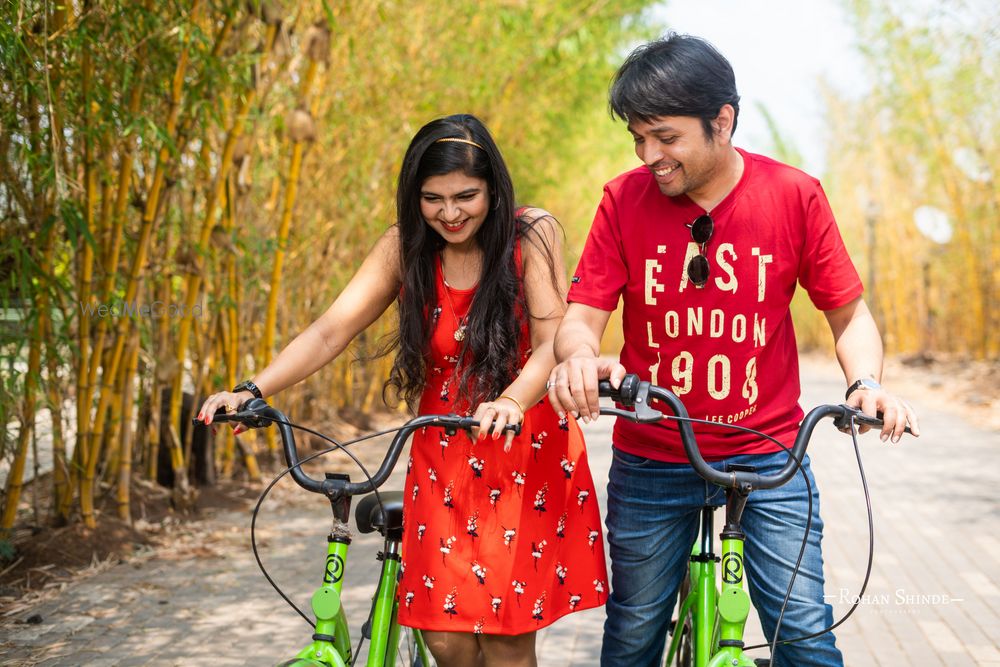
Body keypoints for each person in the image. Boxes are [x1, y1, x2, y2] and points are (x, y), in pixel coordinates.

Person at [545, 34, 920, 667]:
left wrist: (864, 386)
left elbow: (848, 314)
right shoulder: (622, 198)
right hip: (652, 454)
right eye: (639, 139)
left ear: (723, 120)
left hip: (771, 454)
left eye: (666, 137)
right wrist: (579, 354)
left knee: (803, 634)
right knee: (633, 633)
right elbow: (583, 316)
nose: (650, 156)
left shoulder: (794, 194)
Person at [197, 114, 607, 667]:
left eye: (467, 196)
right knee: (446, 638)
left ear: (494, 188)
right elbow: (330, 329)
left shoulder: (531, 233)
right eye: (433, 199)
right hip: (441, 447)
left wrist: (511, 401)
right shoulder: (406, 247)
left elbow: (551, 341)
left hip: (522, 443)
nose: (450, 213)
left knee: (507, 640)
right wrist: (253, 387)